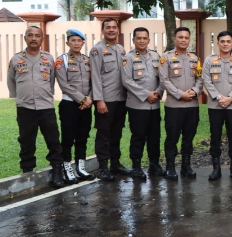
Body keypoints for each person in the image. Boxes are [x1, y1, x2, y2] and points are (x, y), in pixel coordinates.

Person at [7, 26, 65, 188]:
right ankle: (27, 172)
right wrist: (18, 99)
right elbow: (11, 80)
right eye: (30, 35)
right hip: (25, 108)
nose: (33, 38)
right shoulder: (16, 59)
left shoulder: (48, 58)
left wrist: (47, 96)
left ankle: (57, 172)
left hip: (45, 107)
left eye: (37, 36)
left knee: (53, 140)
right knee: (26, 141)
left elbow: (52, 80)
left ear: (42, 39)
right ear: (25, 38)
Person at [201, 31, 232, 181]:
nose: (225, 44)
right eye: (222, 41)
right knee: (215, 136)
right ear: (218, 43)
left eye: (228, 41)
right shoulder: (210, 60)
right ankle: (216, 168)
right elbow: (206, 80)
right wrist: (219, 97)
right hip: (215, 106)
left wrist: (231, 98)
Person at [120, 27, 165, 181]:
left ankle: (154, 164)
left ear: (148, 40)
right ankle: (136, 166)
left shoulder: (155, 56)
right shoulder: (128, 58)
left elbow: (162, 79)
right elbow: (127, 81)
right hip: (137, 105)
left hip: (154, 105)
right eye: (138, 38)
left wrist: (158, 93)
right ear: (133, 40)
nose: (142, 41)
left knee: (155, 136)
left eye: (145, 38)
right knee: (138, 136)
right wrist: (146, 95)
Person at [159, 27, 203, 181]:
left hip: (192, 105)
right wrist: (180, 94)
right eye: (180, 37)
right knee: (172, 137)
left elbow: (200, 79)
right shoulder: (166, 58)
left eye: (186, 37)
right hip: (174, 106)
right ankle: (170, 166)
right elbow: (164, 80)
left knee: (189, 137)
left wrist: (195, 91)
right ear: (174, 39)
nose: (183, 40)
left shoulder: (195, 58)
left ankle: (186, 165)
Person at [90, 18, 129, 181]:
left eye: (114, 27)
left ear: (118, 30)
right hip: (105, 100)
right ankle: (103, 167)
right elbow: (95, 76)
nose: (112, 30)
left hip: (121, 99)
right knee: (104, 135)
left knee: (117, 133)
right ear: (103, 30)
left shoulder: (121, 49)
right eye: (108, 28)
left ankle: (115, 163)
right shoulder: (97, 50)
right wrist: (99, 100)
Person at [54, 29, 95, 183]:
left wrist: (89, 99)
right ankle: (67, 168)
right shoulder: (62, 60)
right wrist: (82, 99)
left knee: (82, 136)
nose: (76, 43)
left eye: (79, 41)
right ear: (68, 43)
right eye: (73, 41)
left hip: (86, 105)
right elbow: (64, 85)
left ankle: (80, 167)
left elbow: (93, 82)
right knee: (68, 137)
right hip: (69, 105)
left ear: (83, 43)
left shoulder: (87, 60)